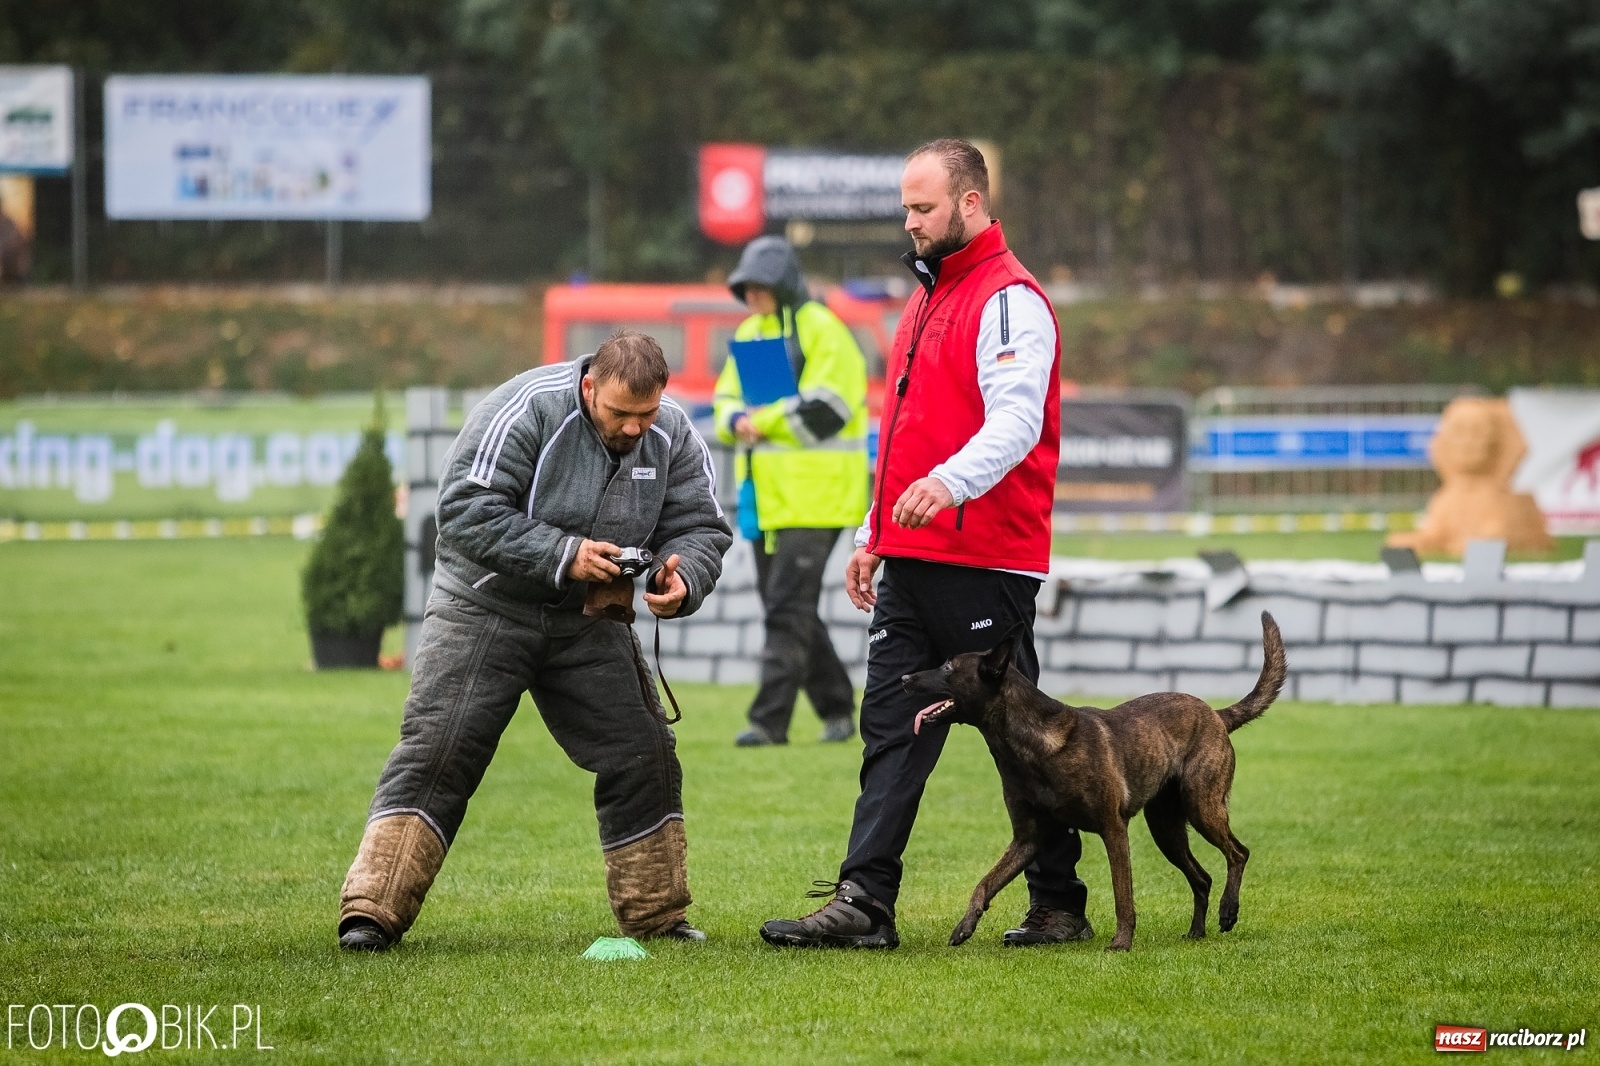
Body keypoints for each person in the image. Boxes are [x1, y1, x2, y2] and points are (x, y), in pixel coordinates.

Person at [760, 138, 1089, 950]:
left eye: (922, 207)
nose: (908, 222)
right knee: (889, 730)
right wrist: (875, 535)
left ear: (970, 204)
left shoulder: (1011, 300)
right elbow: (902, 432)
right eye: (905, 207)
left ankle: (1060, 904)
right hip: (913, 558)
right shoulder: (924, 299)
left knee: (1027, 747)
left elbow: (1014, 423)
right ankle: (865, 903)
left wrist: (950, 483)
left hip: (986, 559)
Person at [338, 330, 732, 952]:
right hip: (483, 608)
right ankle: (371, 911)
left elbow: (701, 525)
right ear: (588, 387)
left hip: (588, 621)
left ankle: (658, 917)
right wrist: (565, 553)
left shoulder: (674, 432)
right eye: (619, 414)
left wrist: (682, 575)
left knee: (643, 751)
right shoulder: (523, 408)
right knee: (441, 748)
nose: (635, 429)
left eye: (646, 414)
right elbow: (464, 509)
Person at [713, 236, 870, 747]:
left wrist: (758, 419)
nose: (751, 296)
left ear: (782, 284)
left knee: (785, 606)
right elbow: (725, 402)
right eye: (745, 288)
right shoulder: (752, 331)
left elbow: (830, 409)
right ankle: (838, 708)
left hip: (819, 498)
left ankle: (768, 721)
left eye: (758, 286)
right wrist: (736, 418)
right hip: (769, 498)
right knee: (786, 606)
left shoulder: (825, 331)